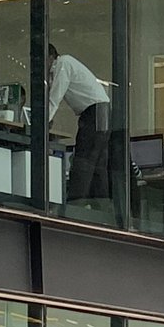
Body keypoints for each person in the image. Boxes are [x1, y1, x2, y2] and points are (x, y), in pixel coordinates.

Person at [48, 43, 112, 207]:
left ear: (49, 57)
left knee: (83, 161)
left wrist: (44, 121)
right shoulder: (67, 63)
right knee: (98, 165)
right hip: (103, 112)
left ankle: (75, 205)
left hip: (93, 112)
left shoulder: (63, 63)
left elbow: (55, 97)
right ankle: (102, 207)